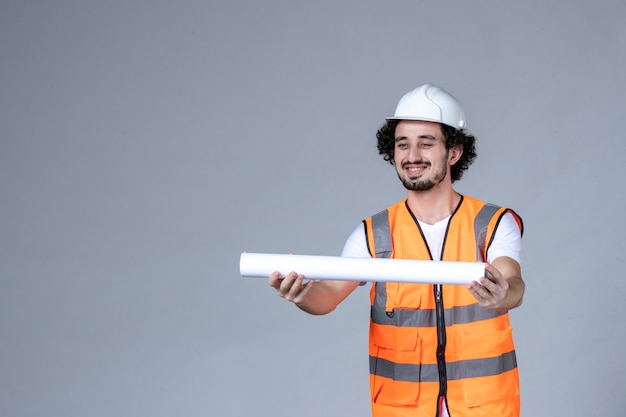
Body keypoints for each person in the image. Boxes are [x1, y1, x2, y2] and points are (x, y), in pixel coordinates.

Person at [268, 84, 524, 417]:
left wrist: (503, 293)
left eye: (426, 143)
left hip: (484, 406)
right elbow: (328, 295)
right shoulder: (373, 234)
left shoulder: (492, 223)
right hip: (403, 408)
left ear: (454, 152)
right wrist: (302, 294)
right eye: (402, 144)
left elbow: (512, 284)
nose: (412, 155)